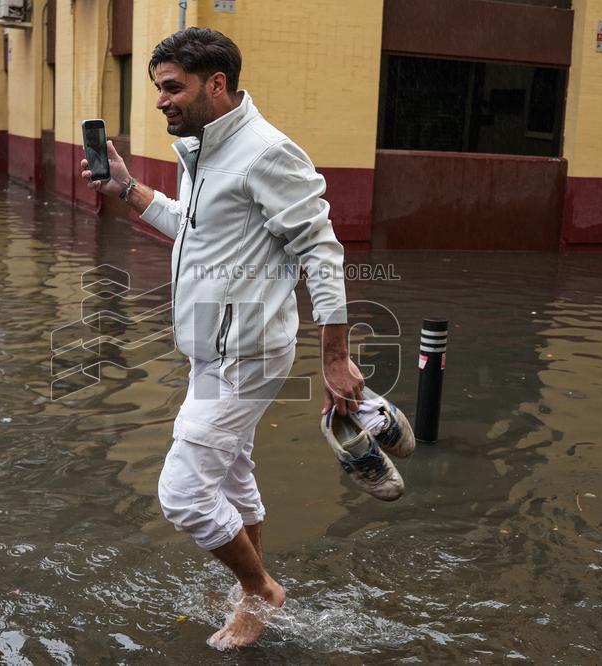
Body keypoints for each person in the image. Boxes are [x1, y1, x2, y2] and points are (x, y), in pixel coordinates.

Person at [80, 27, 366, 649]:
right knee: (233, 472)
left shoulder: (266, 151)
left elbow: (322, 251)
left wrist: (336, 356)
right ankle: (250, 595)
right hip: (211, 344)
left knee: (183, 494)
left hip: (249, 351)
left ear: (217, 84)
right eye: (159, 88)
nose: (161, 101)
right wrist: (126, 190)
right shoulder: (203, 150)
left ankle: (261, 591)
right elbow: (193, 227)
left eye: (172, 88)